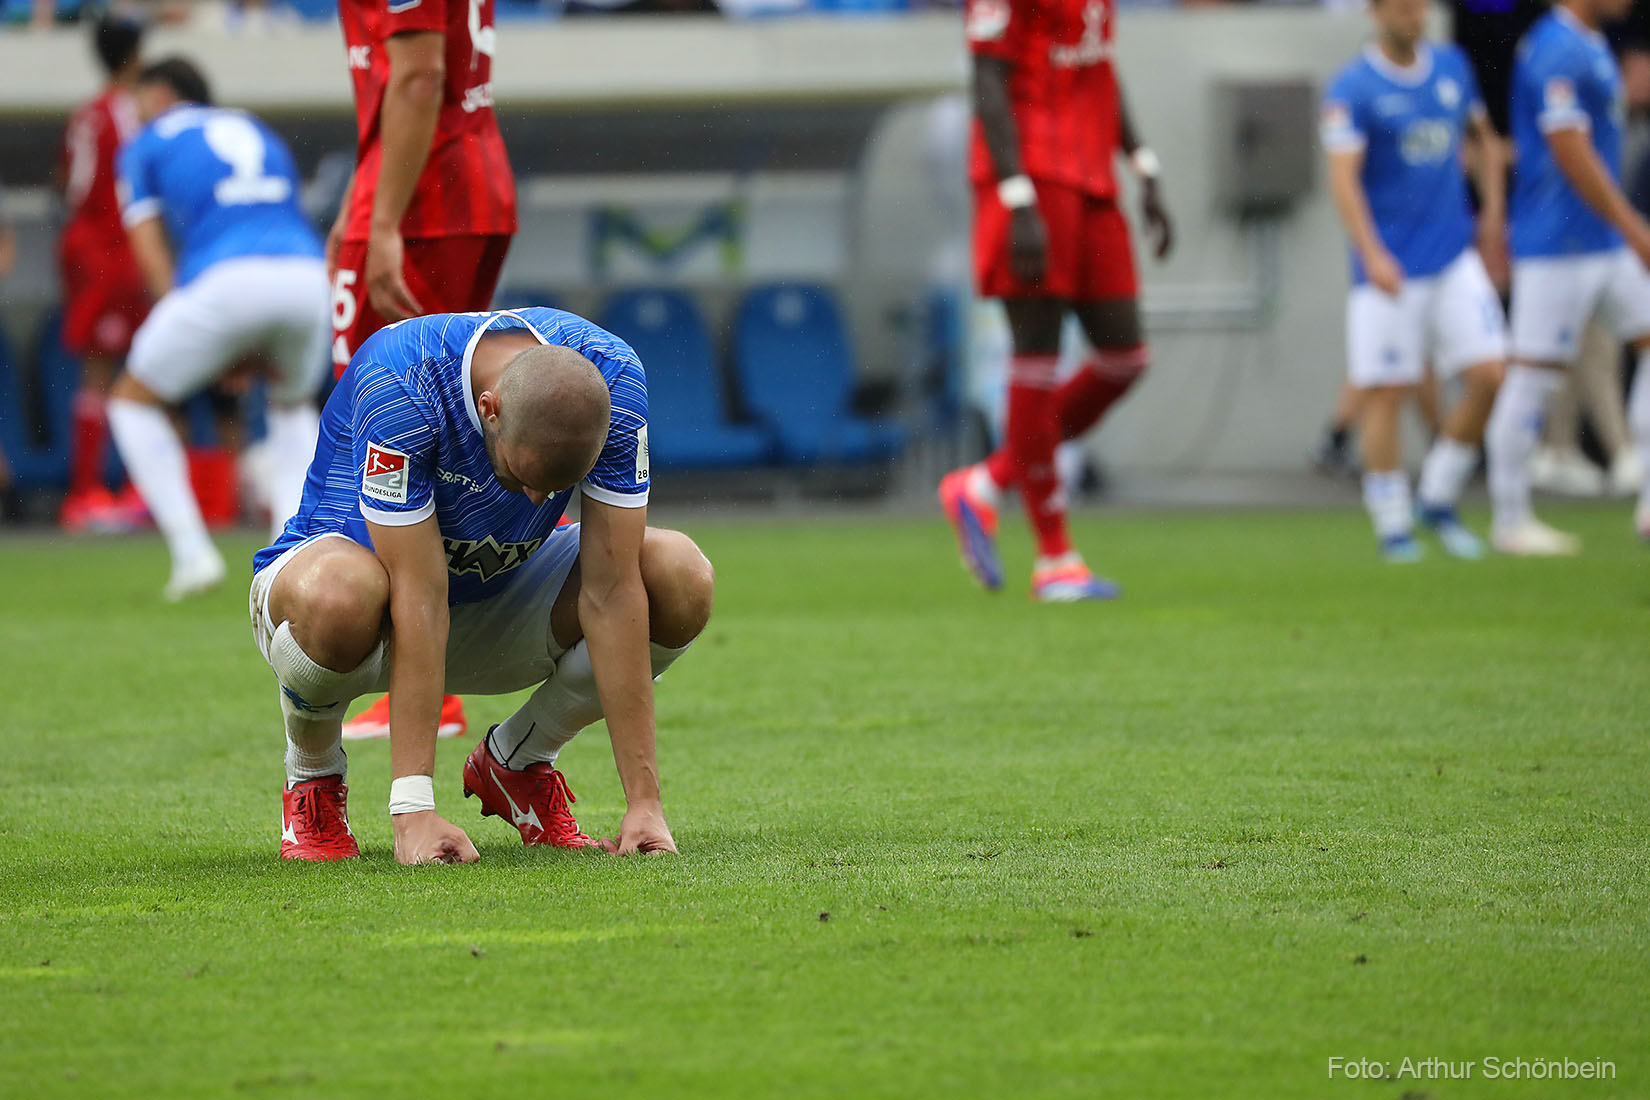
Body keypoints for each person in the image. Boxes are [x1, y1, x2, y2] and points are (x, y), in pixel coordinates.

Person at [249, 306, 713, 865]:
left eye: (557, 488)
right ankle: (313, 777)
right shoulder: (403, 382)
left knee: (679, 574)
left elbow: (611, 592)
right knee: (341, 593)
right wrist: (413, 808)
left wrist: (645, 803)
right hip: (359, 607)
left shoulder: (613, 376)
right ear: (489, 410)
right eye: (523, 477)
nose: (537, 502)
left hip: (496, 595)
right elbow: (418, 594)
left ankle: (517, 760)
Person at [329, 0, 519, 742]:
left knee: (385, 429)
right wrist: (357, 205)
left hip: (424, 199)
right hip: (461, 185)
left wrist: (379, 222)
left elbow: (416, 77)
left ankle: (419, 686)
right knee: (456, 432)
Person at [939, 0, 1173, 602]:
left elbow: (1096, 63)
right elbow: (986, 76)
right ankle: (1055, 560)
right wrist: (1016, 196)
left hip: (1093, 173)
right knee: (1036, 357)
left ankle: (987, 482)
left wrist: (1141, 160)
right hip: (1030, 174)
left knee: (1126, 356)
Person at [107, 57, 329, 599]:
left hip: (225, 281)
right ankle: (292, 560)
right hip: (308, 276)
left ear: (159, 94)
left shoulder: (146, 141)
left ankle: (192, 553)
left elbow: (148, 242)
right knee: (290, 405)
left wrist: (187, 317)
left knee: (130, 402)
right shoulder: (256, 128)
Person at [1321, 0, 1510, 561]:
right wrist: (1372, 252)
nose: (1414, 15)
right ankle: (1392, 523)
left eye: (1419, 5)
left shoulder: (1452, 66)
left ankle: (1439, 494)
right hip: (1391, 269)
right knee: (1387, 390)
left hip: (1453, 256)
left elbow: (1483, 141)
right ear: (1375, 12)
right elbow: (1344, 180)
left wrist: (1492, 216)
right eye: (1401, 6)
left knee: (1491, 373)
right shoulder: (1352, 88)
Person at [1486, 0, 1650, 551]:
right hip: (1558, 242)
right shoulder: (1556, 47)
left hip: (1600, 242)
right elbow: (1569, 151)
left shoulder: (1592, 40)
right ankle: (1510, 519)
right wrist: (1632, 224)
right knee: (1533, 374)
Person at [57, 15, 151, 533]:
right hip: (114, 251)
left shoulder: (85, 114)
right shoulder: (126, 111)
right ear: (133, 55)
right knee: (129, 370)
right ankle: (92, 493)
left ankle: (105, 490)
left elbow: (68, 185)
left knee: (105, 371)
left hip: (90, 248)